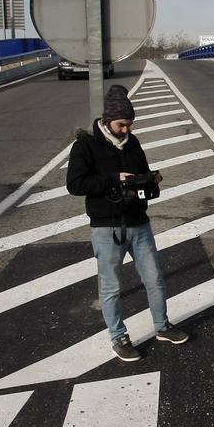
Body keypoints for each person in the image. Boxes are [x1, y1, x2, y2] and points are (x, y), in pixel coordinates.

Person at [67, 84, 189, 362]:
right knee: (111, 286)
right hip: (106, 227)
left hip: (138, 222)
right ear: (108, 120)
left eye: (130, 125)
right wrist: (114, 179)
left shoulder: (133, 143)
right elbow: (75, 184)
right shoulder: (85, 145)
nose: (126, 131)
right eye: (122, 125)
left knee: (155, 278)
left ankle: (162, 326)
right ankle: (119, 337)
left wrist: (150, 181)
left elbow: (143, 173)